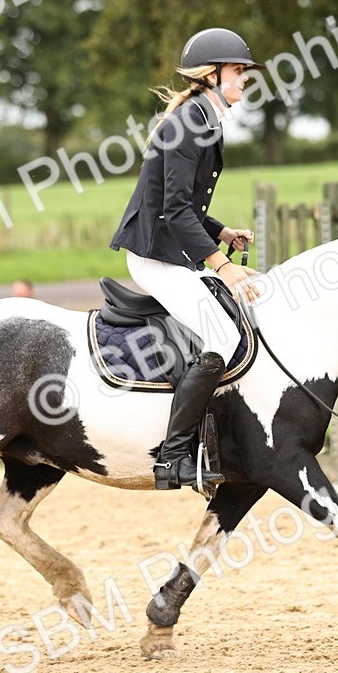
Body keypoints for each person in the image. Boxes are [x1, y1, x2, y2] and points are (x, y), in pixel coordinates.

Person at [110, 28, 262, 491]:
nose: (243, 81)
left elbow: (184, 205)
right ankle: (173, 457)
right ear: (212, 75)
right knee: (223, 331)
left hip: (172, 248)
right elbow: (173, 210)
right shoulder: (190, 123)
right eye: (238, 72)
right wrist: (223, 264)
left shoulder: (202, 117)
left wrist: (220, 231)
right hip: (155, 255)